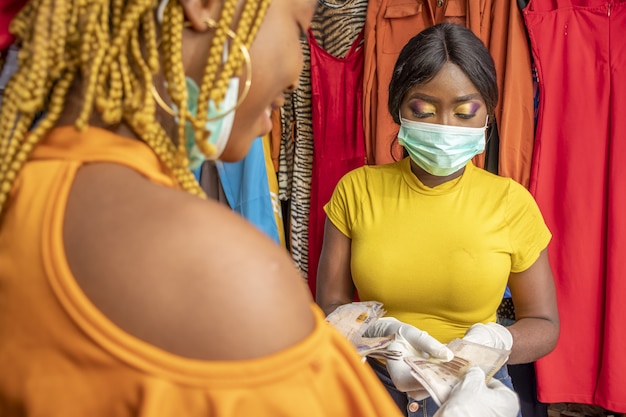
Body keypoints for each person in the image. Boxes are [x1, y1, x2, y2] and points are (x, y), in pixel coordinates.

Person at [0, 0, 520, 414]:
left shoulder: (26, 189)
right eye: (298, 25)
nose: (298, 73)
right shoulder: (229, 270)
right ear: (205, 5)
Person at [316, 22, 560, 417]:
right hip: (370, 391)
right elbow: (331, 301)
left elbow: (544, 323)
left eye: (465, 112)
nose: (446, 127)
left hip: (472, 395)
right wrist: (369, 334)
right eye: (424, 110)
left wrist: (496, 343)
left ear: (487, 116)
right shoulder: (355, 191)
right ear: (399, 109)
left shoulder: (511, 203)